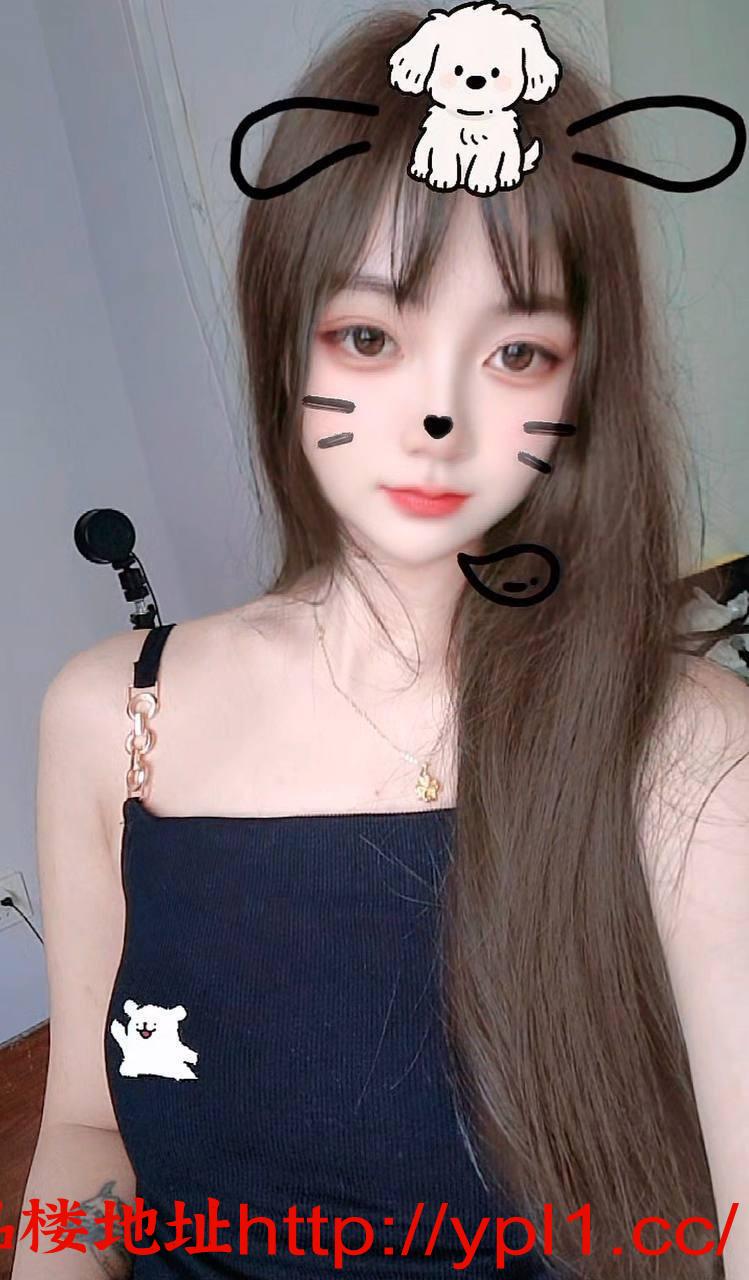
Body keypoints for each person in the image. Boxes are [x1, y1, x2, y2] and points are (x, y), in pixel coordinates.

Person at [16, 5, 749, 1280]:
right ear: (281, 338)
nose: (434, 414)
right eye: (369, 337)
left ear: (582, 382)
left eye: (513, 351)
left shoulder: (686, 745)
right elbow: (86, 1123)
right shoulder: (114, 716)